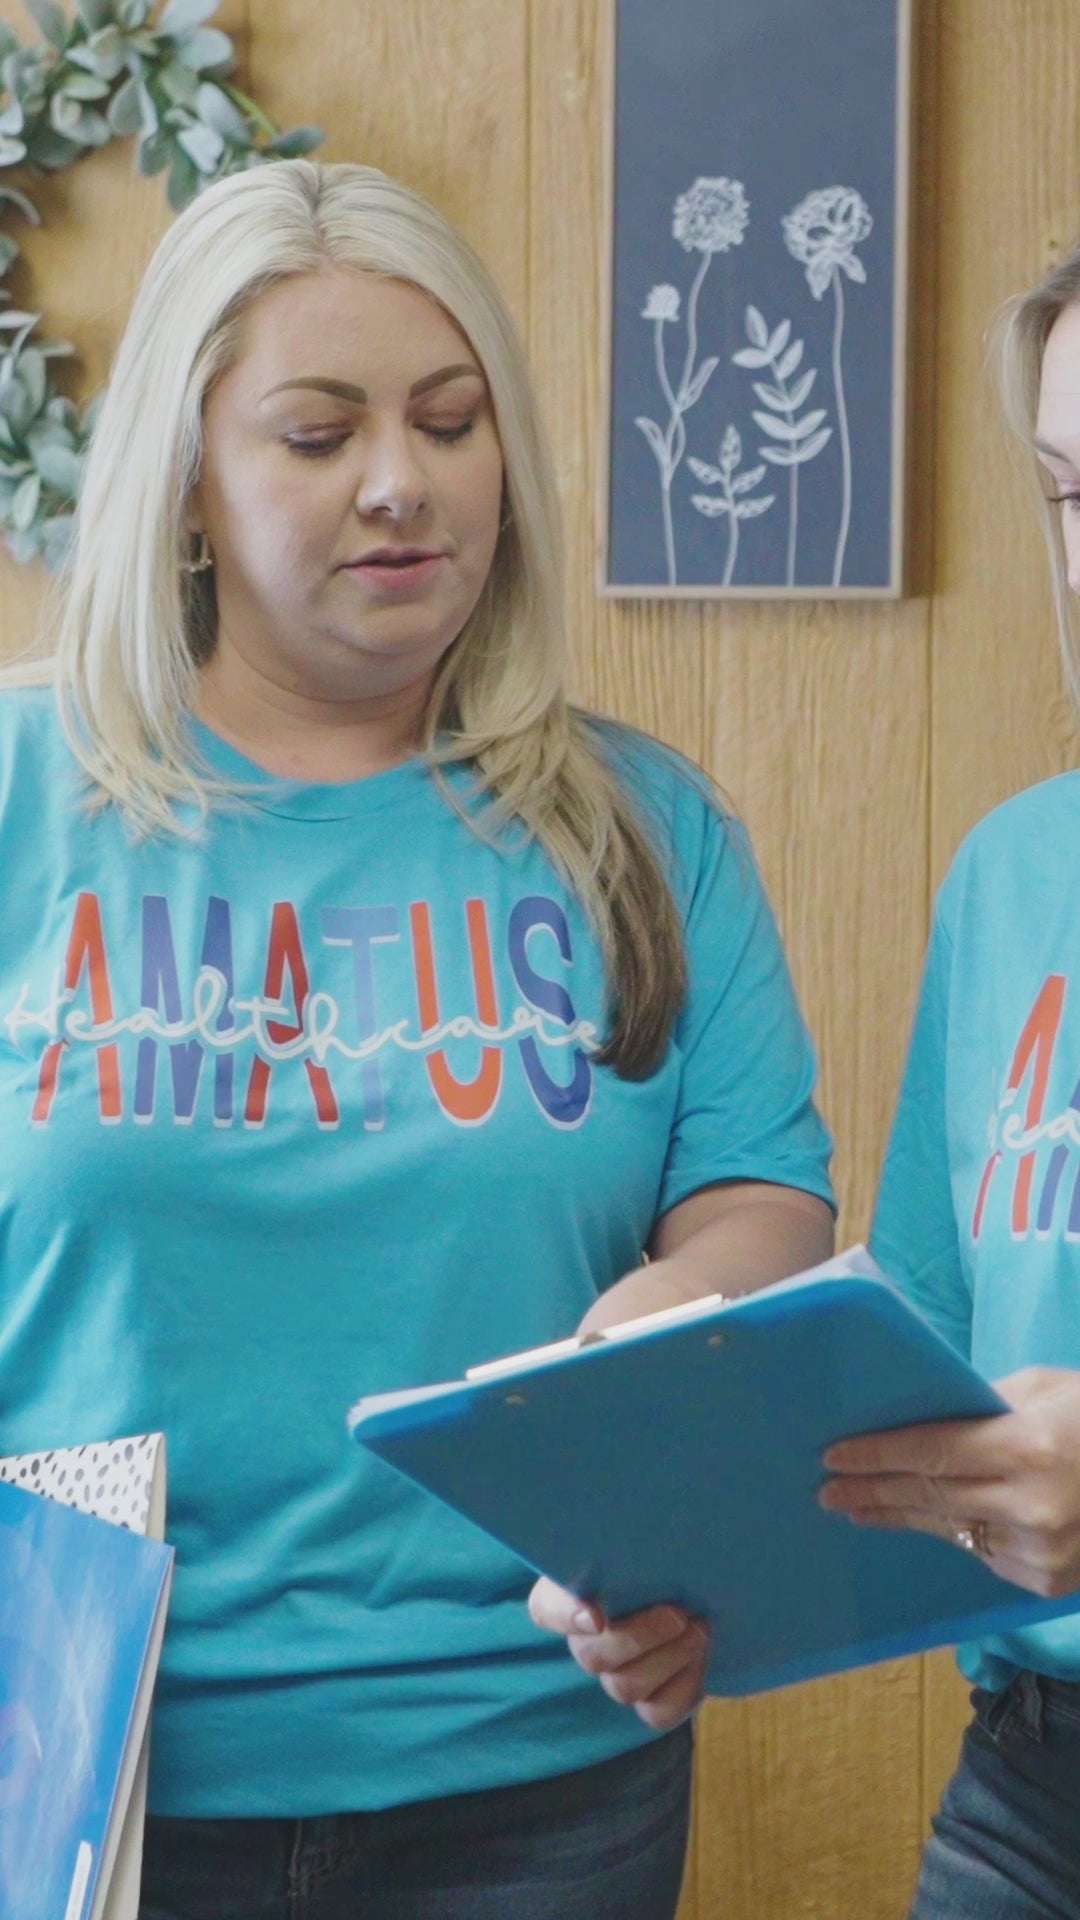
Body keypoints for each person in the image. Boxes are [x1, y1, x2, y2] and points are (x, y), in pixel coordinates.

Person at [0, 159, 834, 1920]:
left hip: (540, 1770)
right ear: (188, 481)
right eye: (318, 434)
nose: (402, 481)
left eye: (452, 422)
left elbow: (760, 1192)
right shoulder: (22, 799)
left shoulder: (644, 828)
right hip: (78, 1766)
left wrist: (674, 1320)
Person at [819, 245, 1080, 1917]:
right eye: (1070, 491)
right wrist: (667, 1544)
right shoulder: (1014, 873)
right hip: (1033, 1780)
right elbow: (913, 1348)